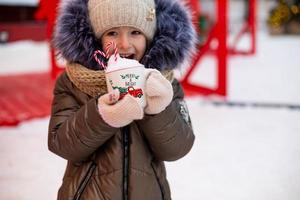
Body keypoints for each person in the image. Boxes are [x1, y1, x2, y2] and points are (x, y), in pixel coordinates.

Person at [48, 0, 196, 199]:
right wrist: (102, 117)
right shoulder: (74, 82)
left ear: (149, 37)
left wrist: (159, 110)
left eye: (135, 32)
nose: (124, 44)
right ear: (96, 37)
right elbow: (60, 143)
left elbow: (178, 148)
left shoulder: (164, 83)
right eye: (112, 33)